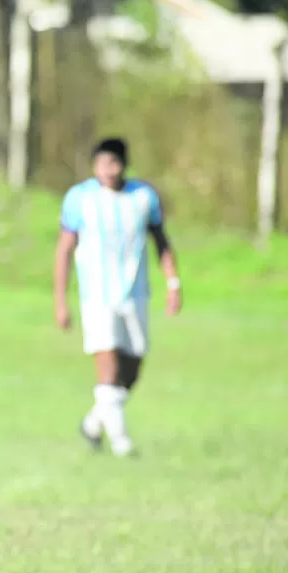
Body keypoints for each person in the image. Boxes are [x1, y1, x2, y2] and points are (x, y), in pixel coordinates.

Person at [53, 138, 183, 457]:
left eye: (113, 163)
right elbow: (65, 249)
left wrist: (173, 282)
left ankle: (95, 422)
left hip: (135, 294)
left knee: (133, 368)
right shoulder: (80, 198)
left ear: (124, 165)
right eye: (101, 164)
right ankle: (122, 442)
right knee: (108, 367)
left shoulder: (143, 197)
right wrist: (60, 299)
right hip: (96, 296)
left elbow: (161, 241)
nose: (107, 170)